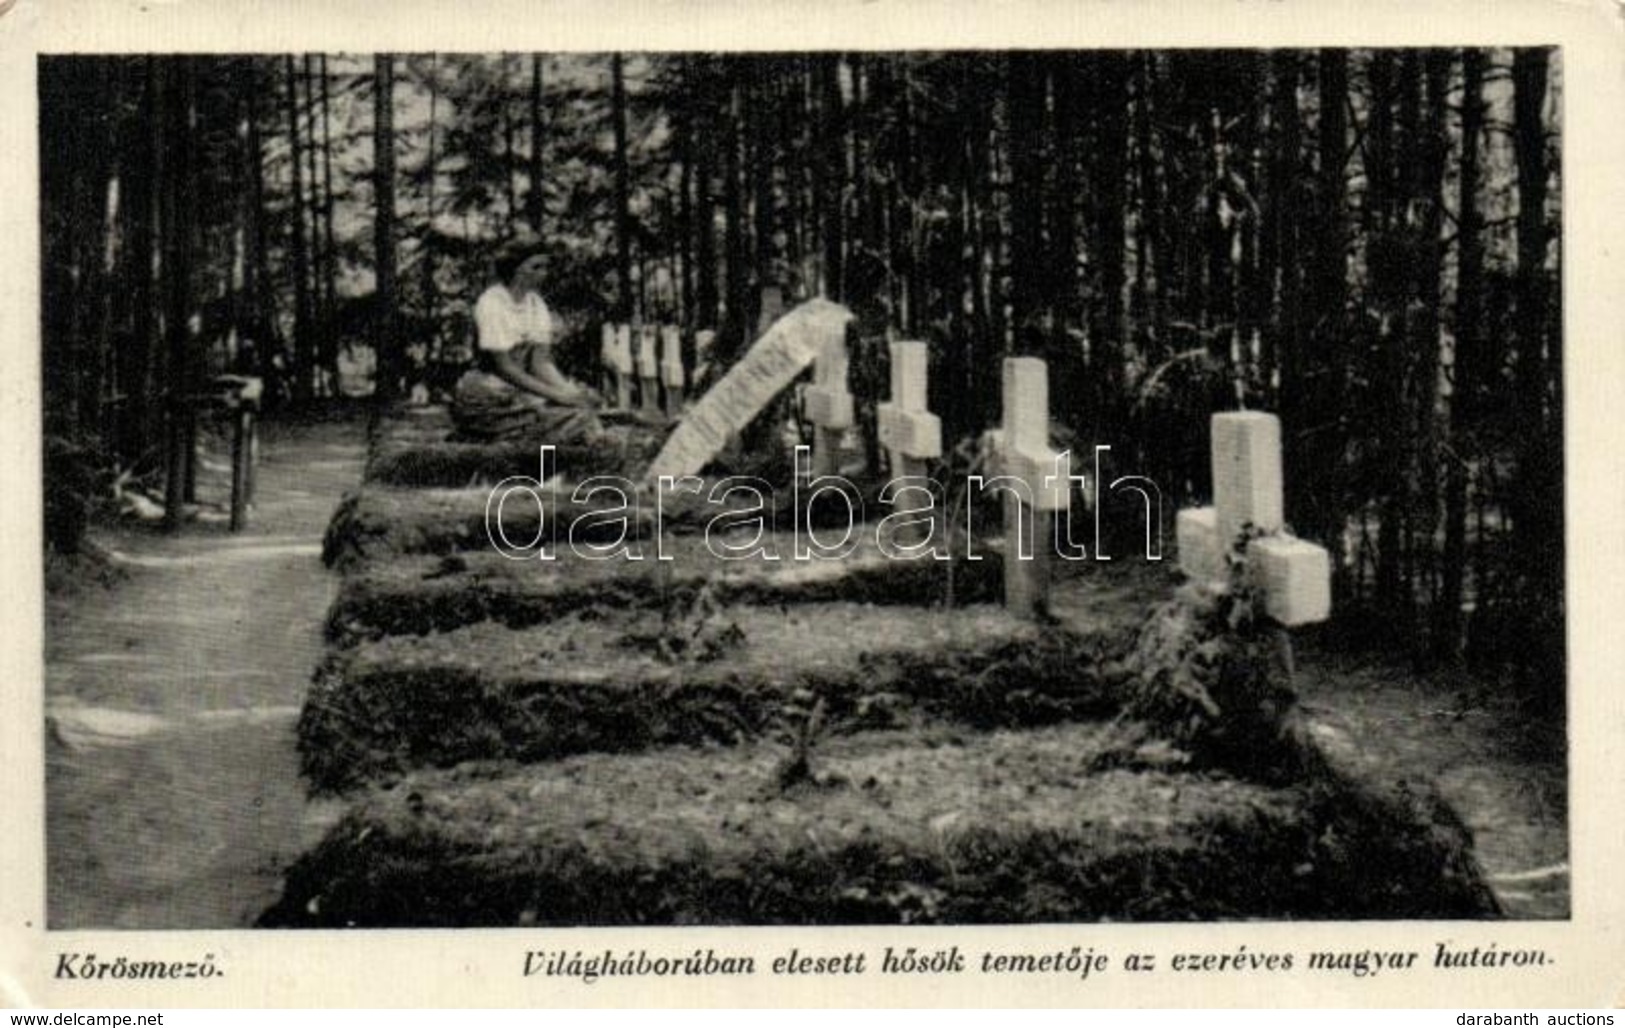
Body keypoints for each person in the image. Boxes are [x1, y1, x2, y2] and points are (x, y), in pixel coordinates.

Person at [450, 245, 605, 443]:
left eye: (545, 267)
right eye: (536, 267)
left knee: (580, 410)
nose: (543, 273)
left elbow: (540, 363)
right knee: (568, 418)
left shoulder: (536, 304)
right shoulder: (491, 302)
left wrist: (569, 392)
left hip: (520, 389)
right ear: (516, 270)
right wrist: (557, 396)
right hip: (488, 391)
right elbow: (505, 368)